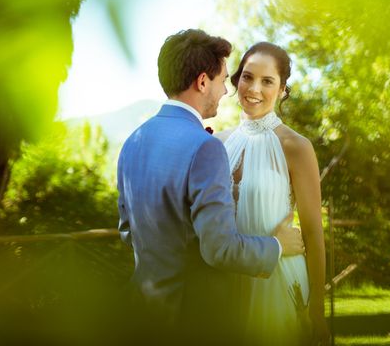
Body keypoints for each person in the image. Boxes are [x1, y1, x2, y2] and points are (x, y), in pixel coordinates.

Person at [116, 30, 305, 344]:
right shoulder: (206, 147)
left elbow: (127, 231)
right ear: (202, 82)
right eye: (222, 81)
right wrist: (277, 246)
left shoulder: (132, 142)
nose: (226, 91)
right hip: (194, 319)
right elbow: (220, 249)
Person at [216, 42, 330, 345]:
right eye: (248, 77)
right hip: (226, 284)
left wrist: (316, 309)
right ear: (237, 79)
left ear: (281, 90)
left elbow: (313, 232)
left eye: (267, 81)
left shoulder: (296, 146)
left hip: (277, 282)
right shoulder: (219, 143)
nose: (254, 88)